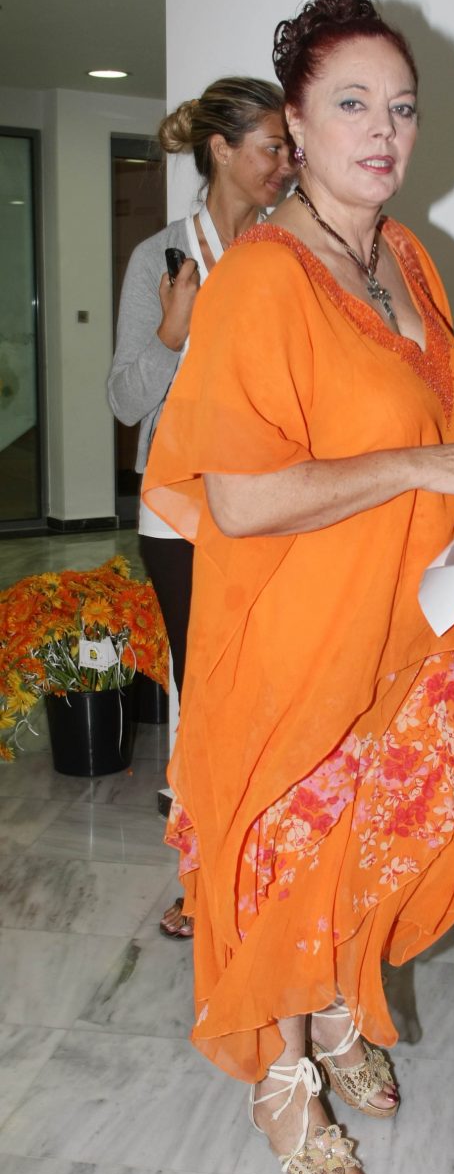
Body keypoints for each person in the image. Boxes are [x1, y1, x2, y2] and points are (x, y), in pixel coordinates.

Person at [142, 0, 454, 1174]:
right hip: (296, 635)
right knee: (288, 862)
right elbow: (244, 499)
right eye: (352, 104)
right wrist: (419, 465)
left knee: (374, 844)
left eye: (401, 108)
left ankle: (339, 1005)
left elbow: (428, 415)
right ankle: (282, 1078)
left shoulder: (407, 257)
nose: (383, 131)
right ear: (295, 128)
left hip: (398, 628)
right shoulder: (260, 279)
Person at [108, 77, 293, 938]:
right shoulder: (161, 258)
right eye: (271, 148)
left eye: (288, 149)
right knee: (207, 692)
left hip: (272, 502)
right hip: (180, 512)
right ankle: (206, 876)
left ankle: (271, 861)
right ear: (222, 150)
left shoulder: (291, 250)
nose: (284, 164)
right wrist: (171, 334)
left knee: (272, 684)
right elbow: (124, 397)